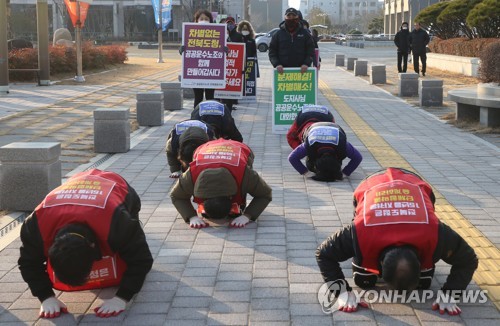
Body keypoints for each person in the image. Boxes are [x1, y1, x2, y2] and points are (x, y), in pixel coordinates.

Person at [316, 167, 478, 314]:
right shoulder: (360, 231)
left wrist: (450, 294)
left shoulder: (435, 232)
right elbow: (323, 253)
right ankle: (364, 264)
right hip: (371, 185)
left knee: (424, 282)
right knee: (363, 277)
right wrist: (342, 292)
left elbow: (468, 259)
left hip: (416, 185)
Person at [18, 169, 153, 319]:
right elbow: (28, 263)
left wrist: (121, 298)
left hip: (116, 186)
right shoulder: (35, 226)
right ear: (49, 250)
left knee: (131, 249)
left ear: (93, 247)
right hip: (77, 183)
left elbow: (142, 260)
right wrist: (46, 297)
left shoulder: (118, 223)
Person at [170, 139, 272, 229]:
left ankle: (239, 206)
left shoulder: (245, 173)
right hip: (206, 148)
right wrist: (191, 216)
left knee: (240, 207)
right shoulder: (191, 174)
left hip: (239, 148)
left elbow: (265, 193)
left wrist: (247, 216)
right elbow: (176, 195)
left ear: (230, 197)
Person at [288, 121, 362, 181]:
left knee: (311, 166)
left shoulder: (342, 144)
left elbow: (358, 157)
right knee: (310, 166)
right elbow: (292, 158)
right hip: (315, 127)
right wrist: (306, 172)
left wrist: (345, 172)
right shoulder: (310, 144)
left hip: (331, 128)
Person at [179, 9, 216, 108]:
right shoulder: (190, 33)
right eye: (201, 19)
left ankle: (210, 119)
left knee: (210, 97)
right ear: (196, 20)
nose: (204, 20)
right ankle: (196, 118)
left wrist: (225, 50)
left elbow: (221, 52)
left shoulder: (217, 33)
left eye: (206, 19)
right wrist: (181, 49)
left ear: (210, 21)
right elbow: (186, 51)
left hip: (211, 72)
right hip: (197, 72)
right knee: (198, 97)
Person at [268, 7, 315, 74]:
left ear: (297, 18)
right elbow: (272, 51)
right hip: (283, 73)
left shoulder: (305, 34)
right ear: (285, 18)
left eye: (293, 16)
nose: (291, 18)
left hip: (302, 72)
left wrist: (306, 63)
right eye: (289, 16)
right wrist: (277, 64)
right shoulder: (278, 35)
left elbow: (311, 50)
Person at [219, 16, 244, 111]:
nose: (229, 25)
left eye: (231, 23)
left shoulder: (238, 36)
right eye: (227, 23)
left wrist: (242, 66)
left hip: (233, 67)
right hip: (222, 66)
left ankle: (229, 109)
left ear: (234, 24)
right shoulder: (220, 34)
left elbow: (242, 51)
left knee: (230, 88)